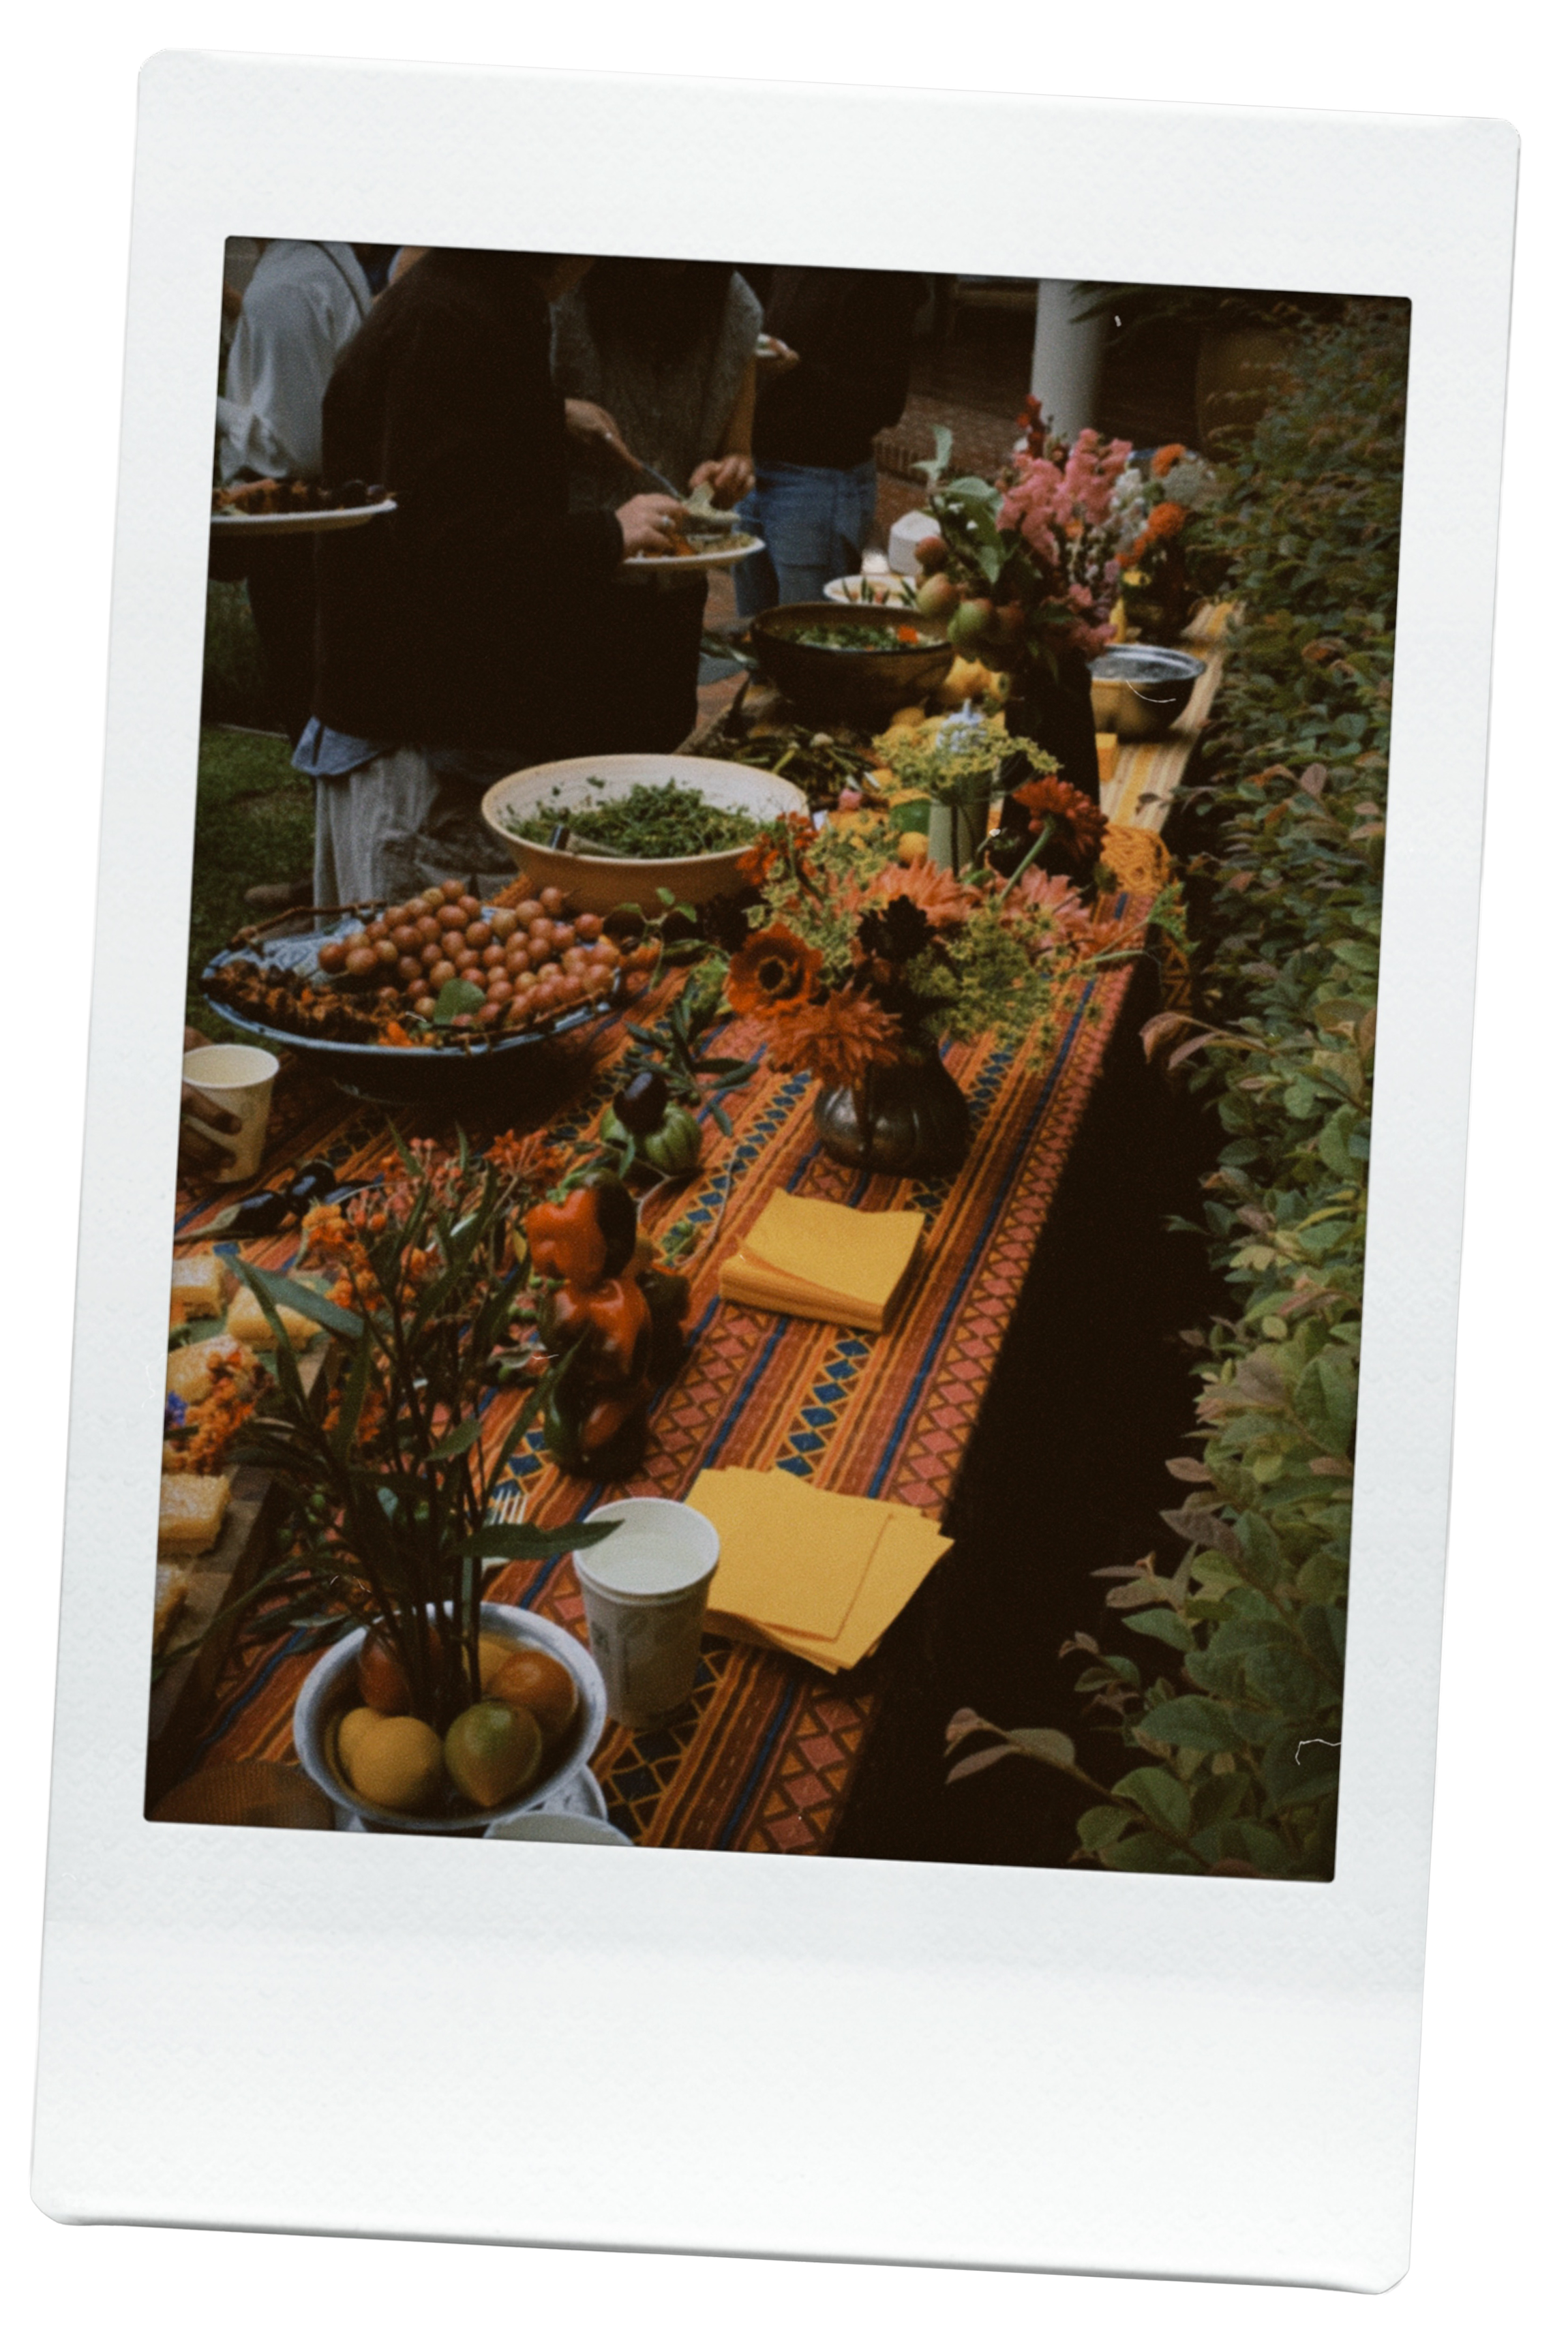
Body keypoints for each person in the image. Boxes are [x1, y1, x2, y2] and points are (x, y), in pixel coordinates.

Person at [298, 248, 683, 906]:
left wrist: (548, 414)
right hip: (419, 748)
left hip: (426, 729)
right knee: (416, 992)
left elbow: (437, 465)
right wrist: (610, 533)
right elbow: (448, 544)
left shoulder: (461, 300)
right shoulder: (449, 318)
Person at [549, 258, 762, 750]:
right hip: (577, 578)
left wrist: (730, 472)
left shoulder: (733, 304)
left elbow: (738, 453)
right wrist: (561, 413)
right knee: (574, 756)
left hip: (674, 590)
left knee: (661, 748)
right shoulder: (570, 287)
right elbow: (501, 404)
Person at [216, 242, 390, 753]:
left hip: (292, 536)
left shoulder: (286, 286)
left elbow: (293, 448)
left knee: (313, 716)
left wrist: (207, 408)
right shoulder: (318, 262)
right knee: (329, 718)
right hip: (318, 531)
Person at [732, 266, 926, 618]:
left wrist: (797, 371)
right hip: (754, 471)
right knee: (754, 645)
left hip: (817, 481)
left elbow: (884, 402)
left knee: (808, 648)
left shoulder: (882, 279)